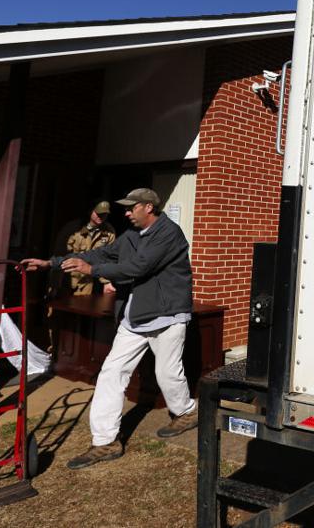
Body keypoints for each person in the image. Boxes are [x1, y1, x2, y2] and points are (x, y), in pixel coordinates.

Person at [24, 187, 197, 470]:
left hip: (166, 316)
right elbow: (101, 253)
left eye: (131, 208)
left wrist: (91, 271)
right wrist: (50, 263)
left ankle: (186, 412)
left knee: (167, 372)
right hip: (135, 317)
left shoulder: (169, 234)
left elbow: (138, 268)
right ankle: (105, 442)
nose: (126, 213)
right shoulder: (130, 236)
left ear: (149, 208)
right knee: (111, 374)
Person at [62, 201, 117, 295]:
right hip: (69, 279)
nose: (101, 216)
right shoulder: (73, 229)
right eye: (98, 213)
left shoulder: (109, 232)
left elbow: (108, 259)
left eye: (104, 214)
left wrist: (106, 282)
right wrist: (55, 283)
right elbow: (60, 254)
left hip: (90, 282)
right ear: (90, 211)